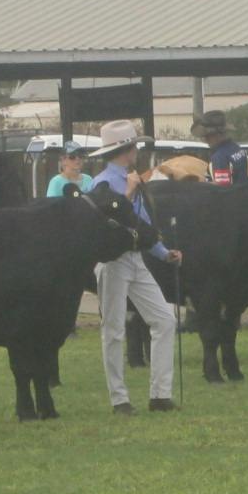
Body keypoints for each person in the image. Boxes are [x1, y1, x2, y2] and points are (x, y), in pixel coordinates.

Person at [89, 119, 177, 414]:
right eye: (135, 146)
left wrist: (163, 252)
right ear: (127, 150)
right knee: (113, 329)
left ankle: (160, 394)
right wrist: (126, 193)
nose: (137, 150)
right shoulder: (102, 183)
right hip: (113, 260)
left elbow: (143, 223)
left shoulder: (131, 179)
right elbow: (103, 226)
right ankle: (119, 399)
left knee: (164, 320)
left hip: (136, 258)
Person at [196, 109, 248, 184]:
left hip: (233, 195)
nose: (205, 139)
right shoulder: (236, 148)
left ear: (217, 135)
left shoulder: (219, 157)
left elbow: (222, 189)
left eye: (207, 135)